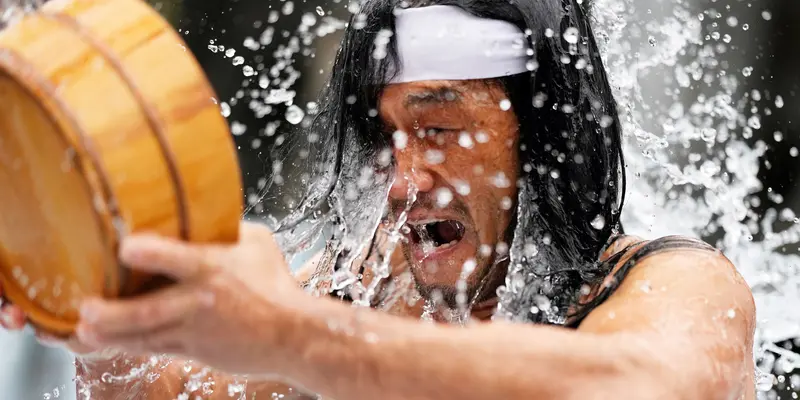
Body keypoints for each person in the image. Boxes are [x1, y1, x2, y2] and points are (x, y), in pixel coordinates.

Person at [0, 0, 756, 399]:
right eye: (387, 136)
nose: (402, 182)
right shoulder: (376, 290)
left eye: (438, 127)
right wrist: (110, 321)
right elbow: (166, 399)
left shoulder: (675, 284)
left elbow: (638, 389)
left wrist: (290, 334)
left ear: (544, 136)